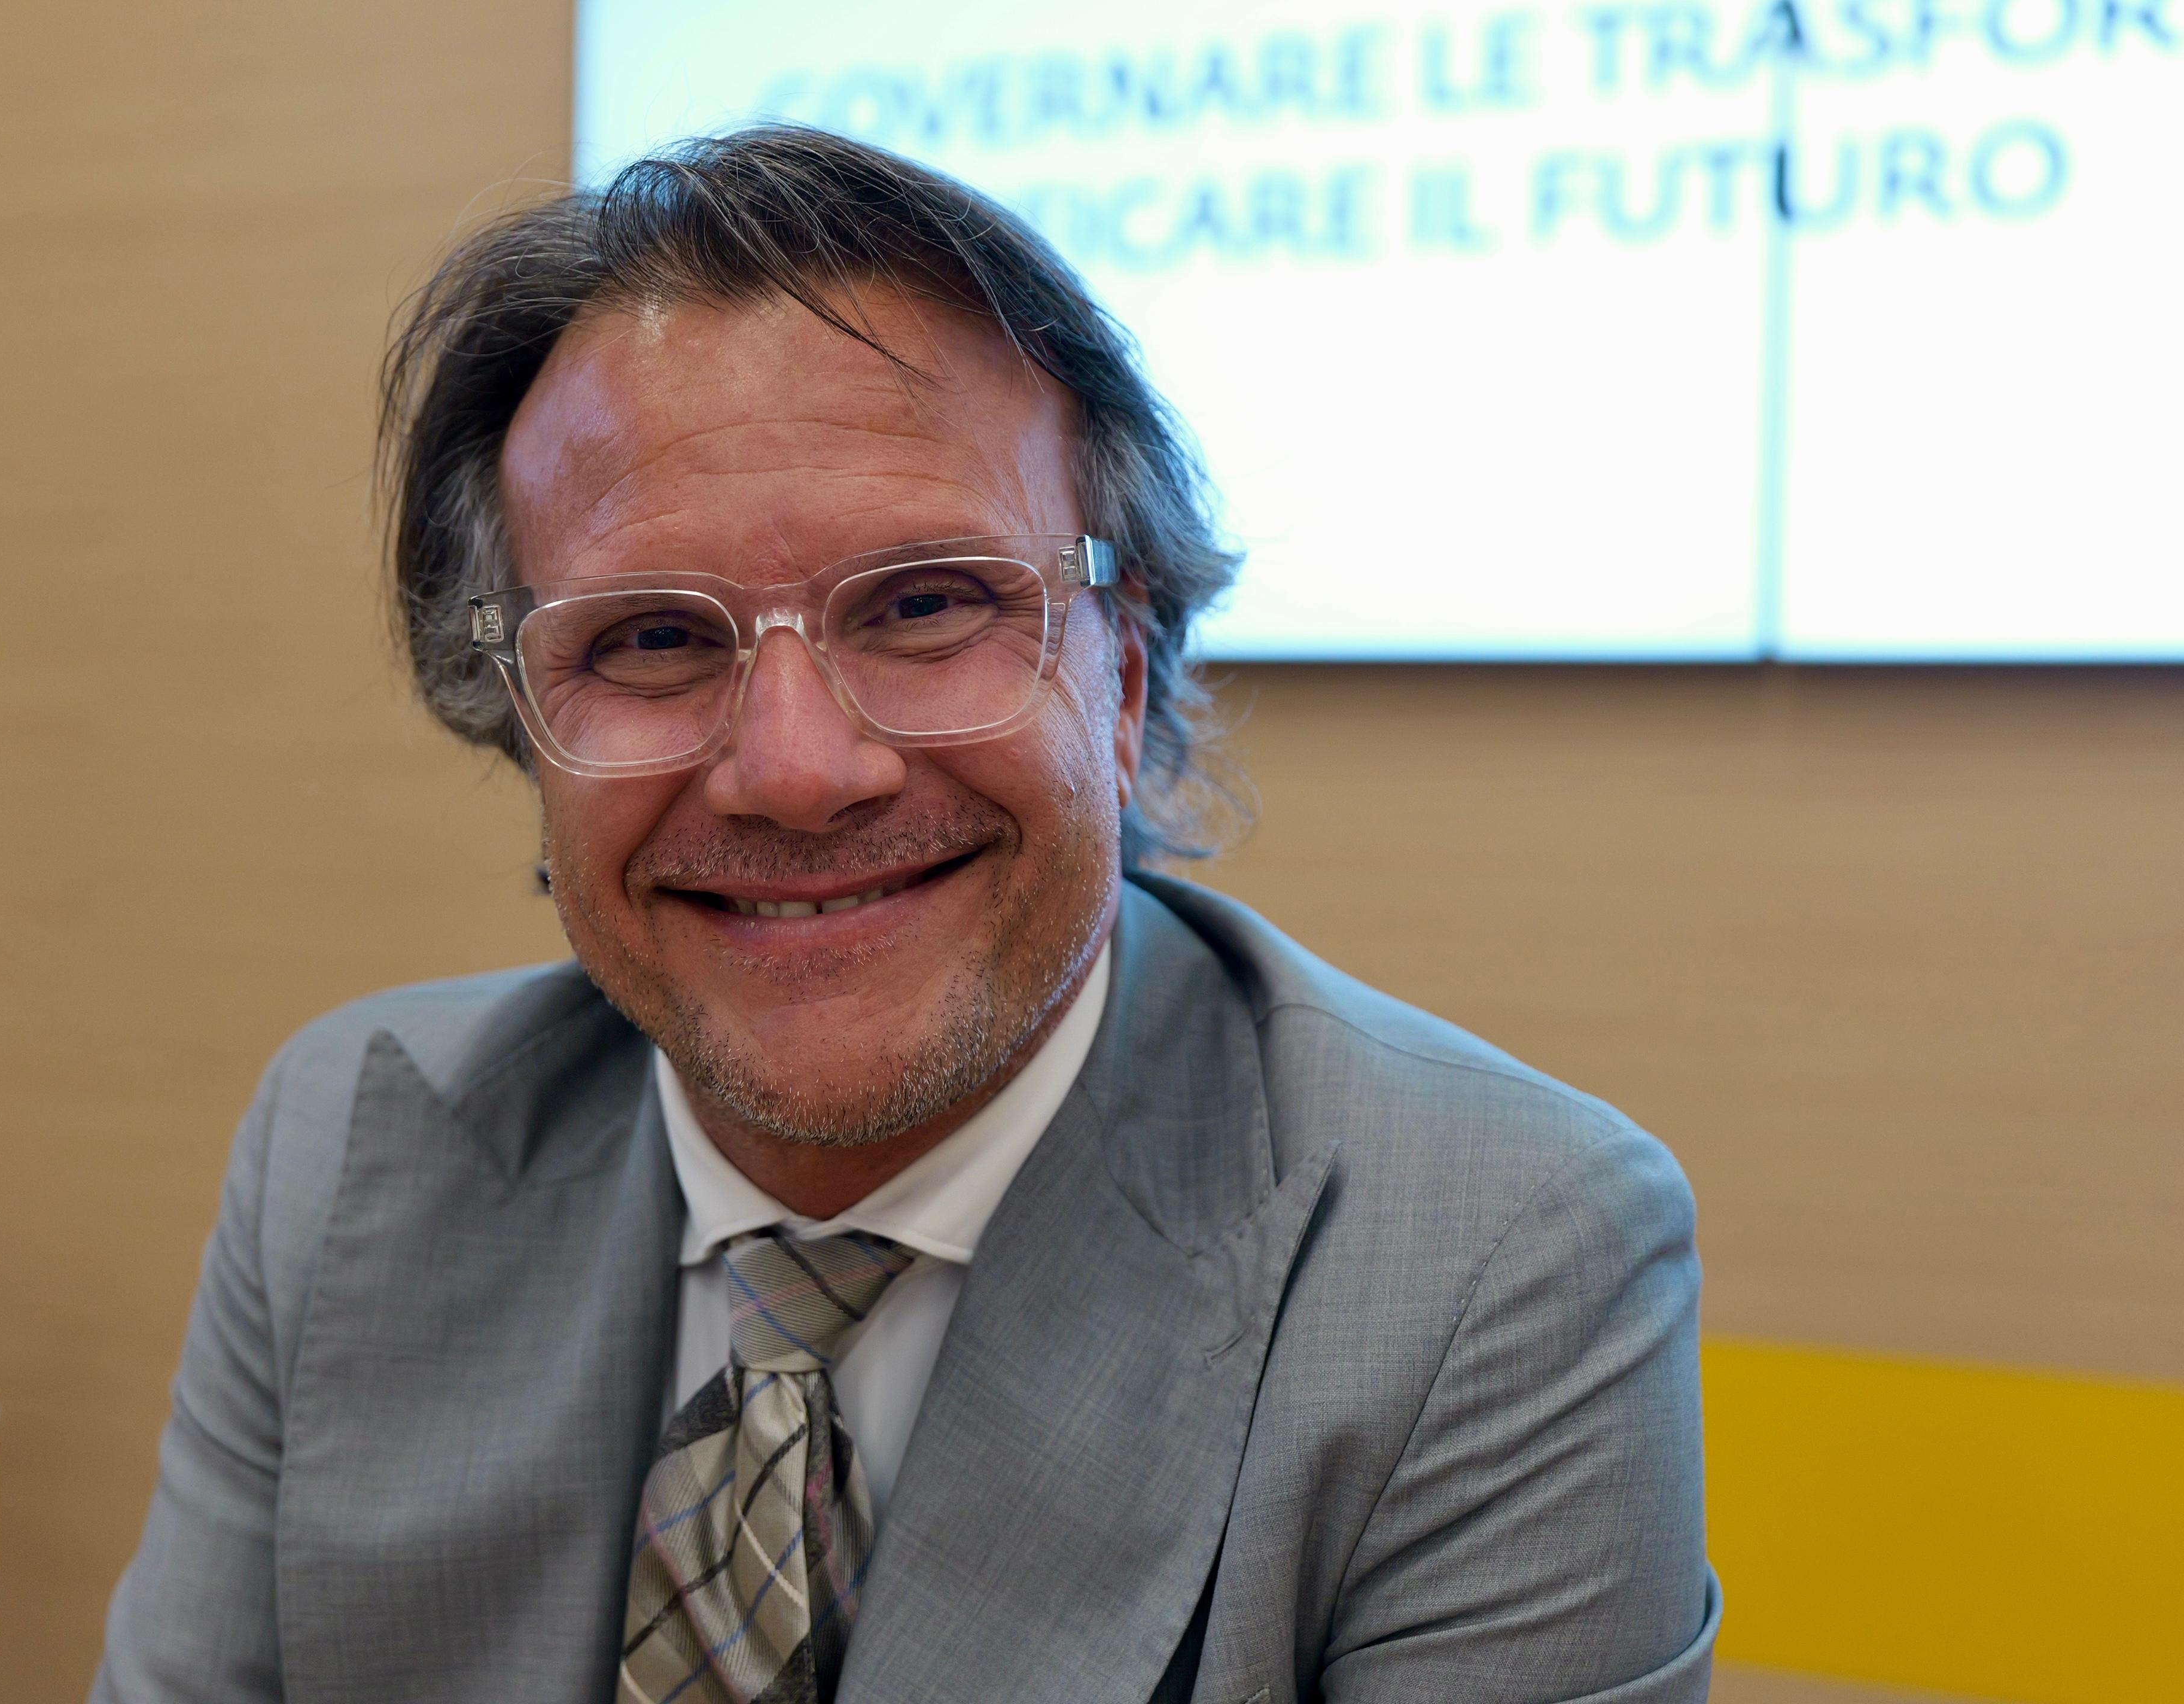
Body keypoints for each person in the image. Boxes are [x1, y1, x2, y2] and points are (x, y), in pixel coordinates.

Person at [93, 126, 1719, 1704]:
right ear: (522, 722)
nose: (797, 773)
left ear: (1122, 672)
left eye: (927, 605)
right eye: (651, 639)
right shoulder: (354, 1145)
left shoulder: (1497, 1261)